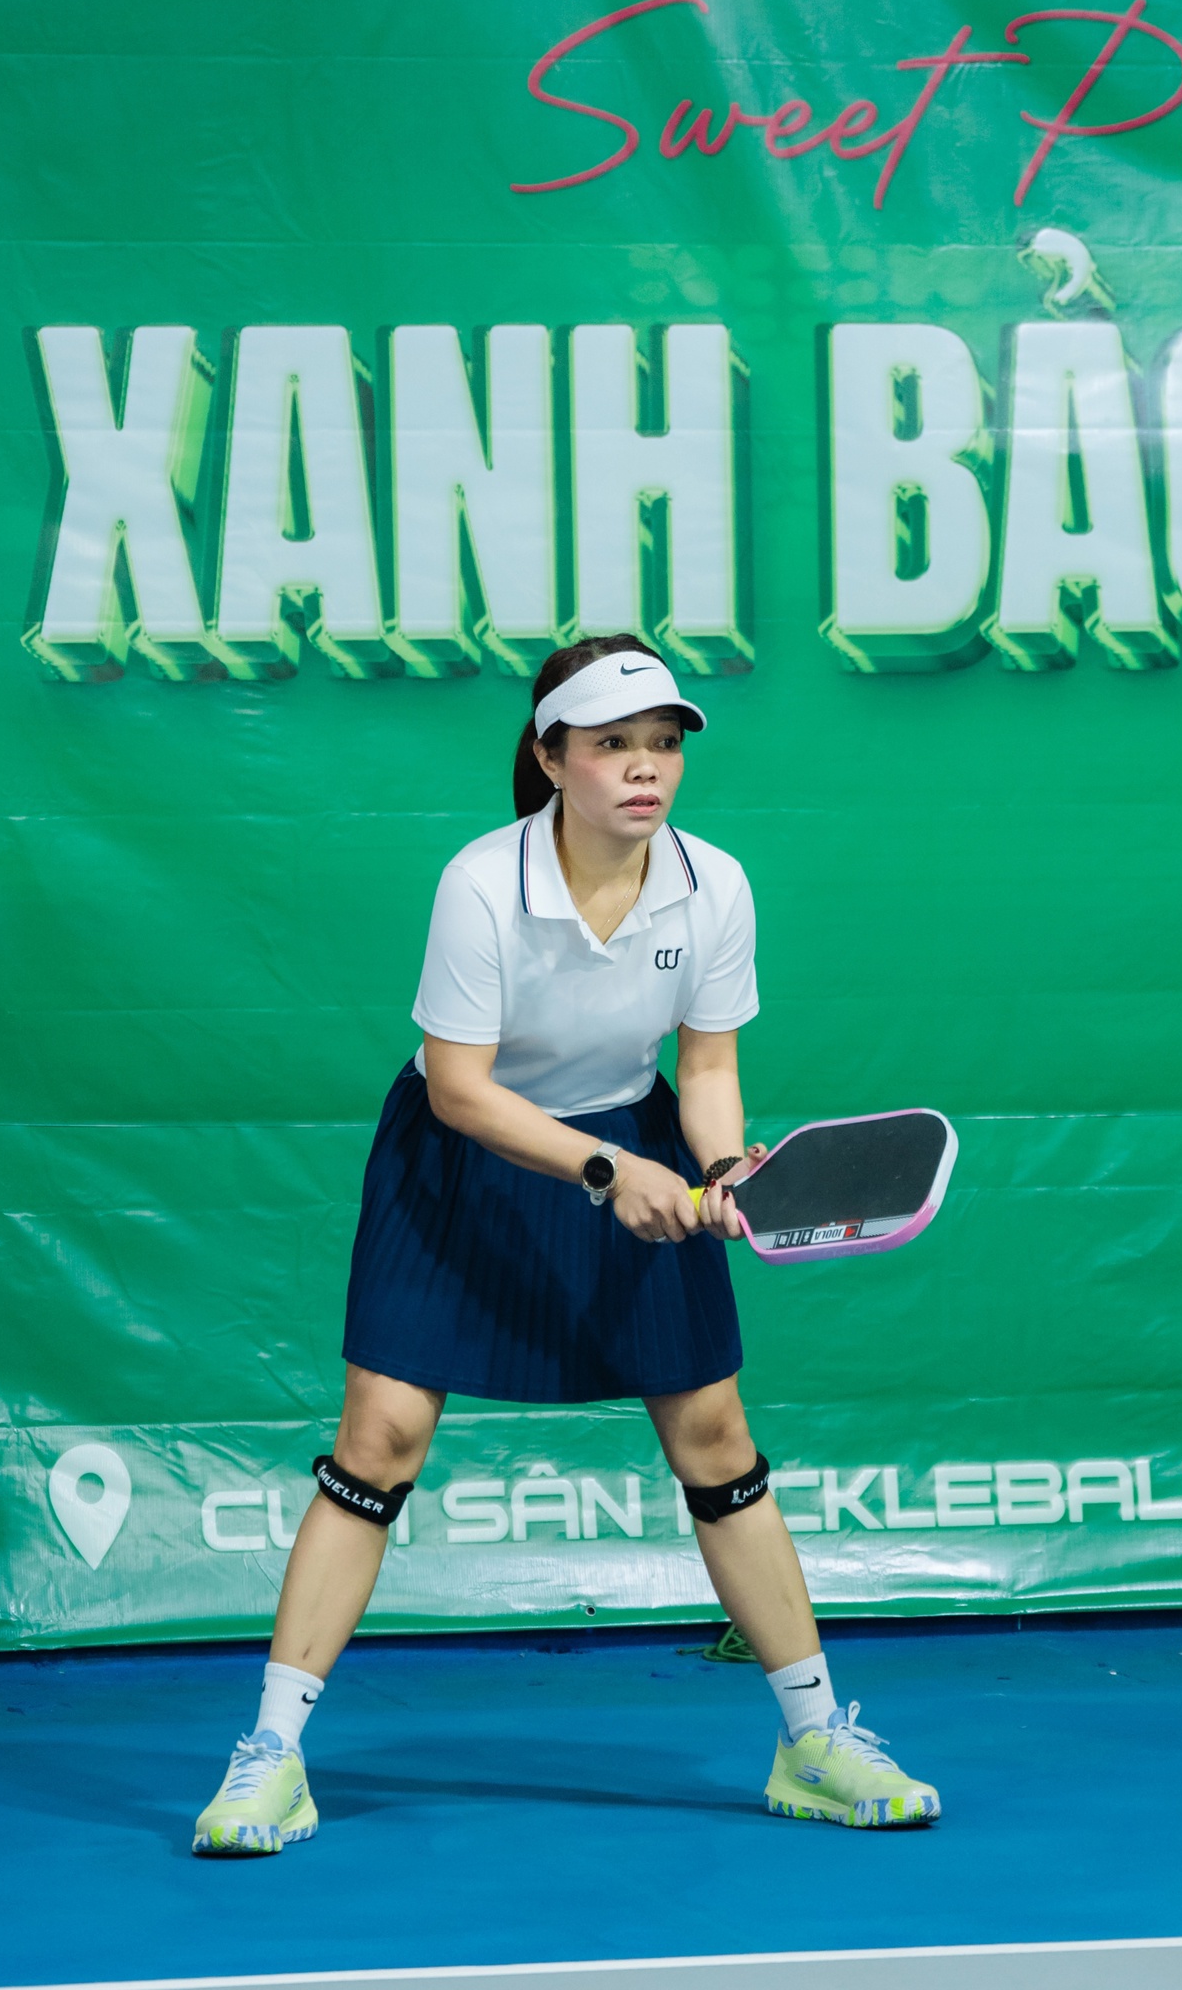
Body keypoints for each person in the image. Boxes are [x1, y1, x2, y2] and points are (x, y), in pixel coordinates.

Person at [193, 635, 939, 1853]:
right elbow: (458, 1089)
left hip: (636, 1135)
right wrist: (605, 1171)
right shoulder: (482, 884)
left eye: (664, 744)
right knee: (380, 1436)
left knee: (716, 1434)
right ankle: (271, 1757)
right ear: (550, 759)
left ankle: (815, 1740)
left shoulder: (716, 886)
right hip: (466, 1159)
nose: (646, 768)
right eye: (612, 745)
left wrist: (717, 1167)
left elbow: (707, 1069)